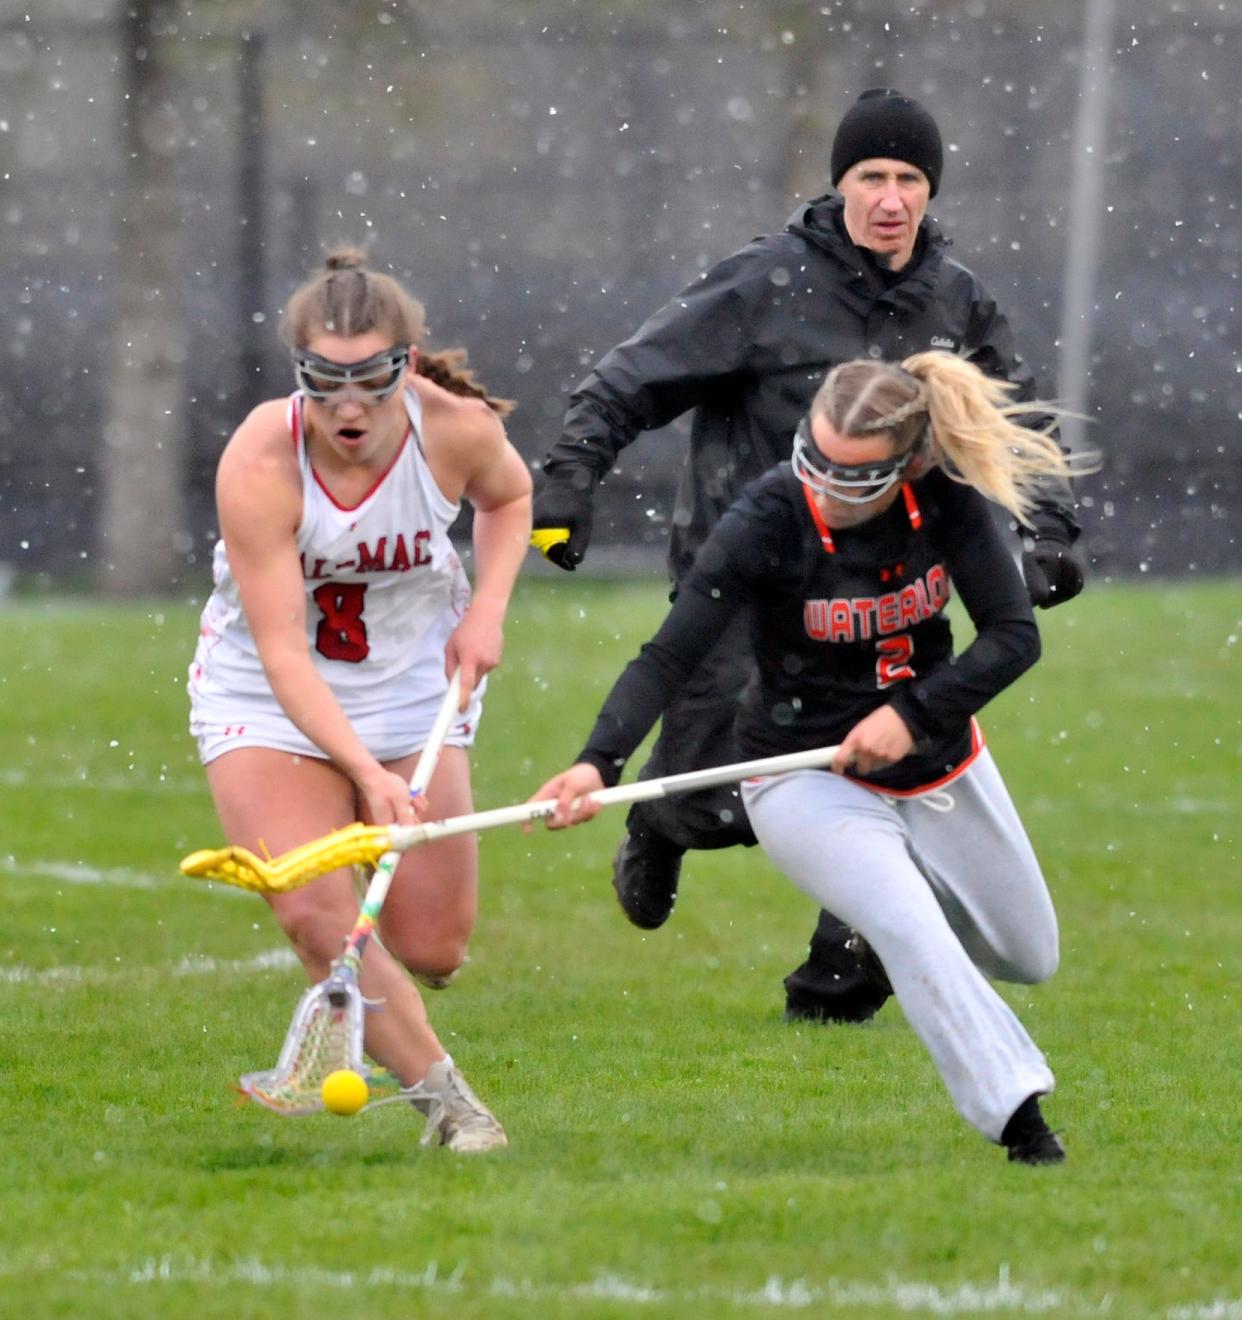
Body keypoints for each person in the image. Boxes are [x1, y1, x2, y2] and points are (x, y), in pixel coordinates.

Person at [530, 87, 1087, 1026]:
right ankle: (667, 822)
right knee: (731, 792)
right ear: (840, 184)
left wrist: (1052, 528)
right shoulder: (765, 283)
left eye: (910, 178)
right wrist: (569, 478)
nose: (891, 197)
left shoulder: (955, 300)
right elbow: (632, 376)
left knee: (889, 761)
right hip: (752, 582)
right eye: (872, 175)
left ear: (929, 193)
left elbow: (1010, 420)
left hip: (890, 593)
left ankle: (840, 973)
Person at [532, 350, 1094, 1163]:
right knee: (914, 931)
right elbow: (668, 657)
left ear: (909, 465)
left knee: (1026, 953)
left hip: (934, 758)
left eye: (854, 476)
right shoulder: (768, 516)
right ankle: (1022, 1125)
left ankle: (889, 919)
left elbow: (1014, 637)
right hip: (800, 772)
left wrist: (913, 713)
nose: (825, 487)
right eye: (816, 460)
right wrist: (597, 763)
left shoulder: (945, 499)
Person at [188, 249, 532, 1153]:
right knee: (316, 913)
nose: (347, 406)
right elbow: (283, 653)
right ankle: (452, 1109)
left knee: (432, 947)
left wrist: (486, 611)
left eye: (371, 380)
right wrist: (358, 775)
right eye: (324, 381)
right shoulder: (261, 461)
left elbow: (512, 497)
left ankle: (397, 1012)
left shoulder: (453, 429)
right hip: (267, 701)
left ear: (406, 366)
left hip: (416, 694)